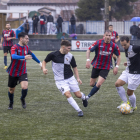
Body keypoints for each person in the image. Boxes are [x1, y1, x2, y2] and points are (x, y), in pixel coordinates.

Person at [42, 40, 88, 117]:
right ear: (63, 47)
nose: (69, 50)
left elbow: (74, 67)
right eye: (68, 48)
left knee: (78, 95)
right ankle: (79, 110)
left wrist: (78, 78)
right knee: (67, 94)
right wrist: (44, 68)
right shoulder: (53, 55)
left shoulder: (70, 56)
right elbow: (44, 61)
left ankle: (84, 98)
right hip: (60, 80)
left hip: (70, 78)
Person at [6, 32, 42, 110]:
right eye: (26, 38)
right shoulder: (14, 47)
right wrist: (24, 57)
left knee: (25, 87)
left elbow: (32, 55)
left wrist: (40, 63)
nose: (28, 40)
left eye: (28, 38)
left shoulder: (27, 47)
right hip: (13, 72)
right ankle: (11, 103)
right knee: (11, 90)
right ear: (21, 39)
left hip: (22, 71)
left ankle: (22, 98)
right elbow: (13, 56)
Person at [85, 30, 121, 100]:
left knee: (99, 84)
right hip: (96, 65)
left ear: (111, 37)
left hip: (106, 67)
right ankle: (96, 88)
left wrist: (117, 66)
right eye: (106, 35)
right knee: (92, 84)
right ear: (104, 35)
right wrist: (88, 60)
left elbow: (119, 56)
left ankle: (87, 97)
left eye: (109, 35)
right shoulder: (98, 42)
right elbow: (88, 50)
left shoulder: (113, 45)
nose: (108, 37)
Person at [115, 36, 140, 113]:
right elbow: (132, 57)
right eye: (122, 45)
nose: (123, 47)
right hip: (128, 70)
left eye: (125, 45)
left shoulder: (135, 48)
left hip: (136, 74)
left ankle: (133, 107)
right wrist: (129, 63)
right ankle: (126, 102)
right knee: (117, 84)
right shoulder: (126, 48)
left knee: (129, 93)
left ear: (129, 42)